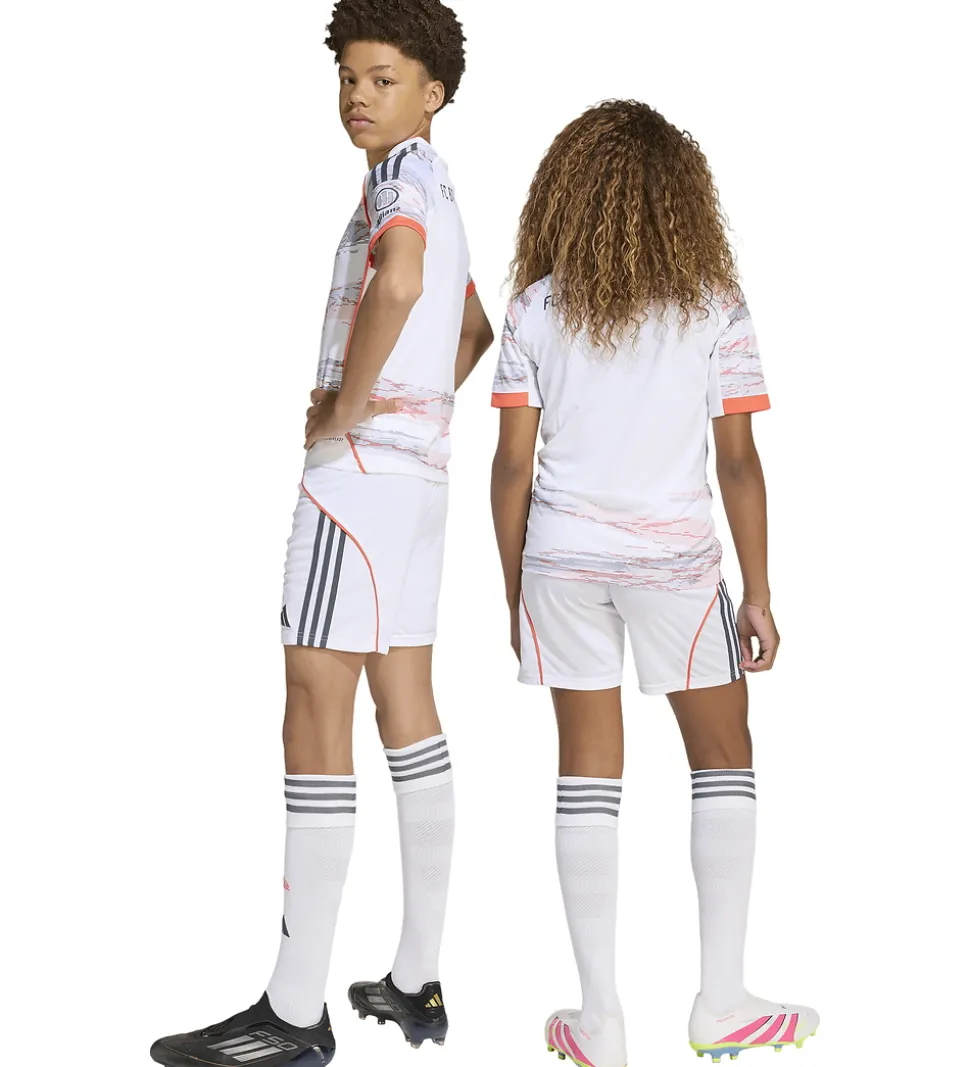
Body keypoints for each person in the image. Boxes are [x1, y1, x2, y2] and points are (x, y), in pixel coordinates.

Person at [151, 2, 493, 1064]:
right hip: (419, 481)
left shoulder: (402, 181)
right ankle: (417, 978)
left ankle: (295, 1012)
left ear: (433, 93)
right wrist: (408, 408)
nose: (358, 95)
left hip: (358, 485)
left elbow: (402, 281)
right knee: (407, 708)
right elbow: (472, 325)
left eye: (382, 79)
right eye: (348, 76)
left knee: (313, 699)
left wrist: (348, 409)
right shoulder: (436, 181)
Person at [489, 100, 818, 1067]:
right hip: (676, 563)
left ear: (566, 194)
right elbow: (739, 462)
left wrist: (514, 588)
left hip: (561, 561)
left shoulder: (535, 309)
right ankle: (721, 1000)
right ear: (682, 198)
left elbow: (510, 468)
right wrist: (758, 592)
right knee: (724, 756)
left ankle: (599, 1018)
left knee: (587, 769)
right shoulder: (715, 304)